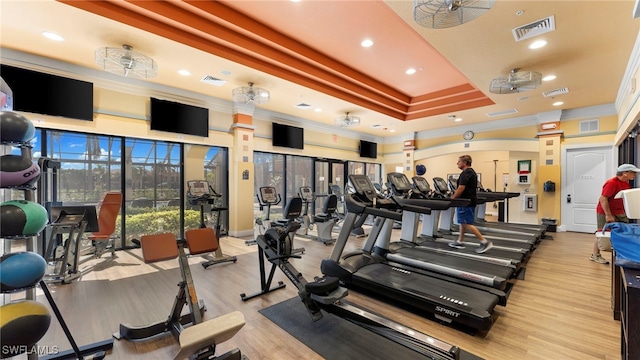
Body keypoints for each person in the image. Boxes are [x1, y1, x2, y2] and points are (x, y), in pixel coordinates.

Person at [592, 163, 640, 264]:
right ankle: (595, 255)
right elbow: (603, 198)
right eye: (633, 173)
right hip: (606, 211)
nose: (635, 175)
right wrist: (608, 215)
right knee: (602, 233)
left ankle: (624, 255)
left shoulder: (626, 183)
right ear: (625, 173)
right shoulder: (612, 183)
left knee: (624, 232)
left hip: (620, 212)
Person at [448, 155, 493, 253]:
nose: (457, 163)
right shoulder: (471, 172)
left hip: (465, 202)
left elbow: (461, 188)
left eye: (459, 161)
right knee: (462, 222)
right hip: (467, 201)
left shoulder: (466, 172)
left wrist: (453, 198)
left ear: (464, 162)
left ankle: (484, 242)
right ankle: (460, 241)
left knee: (466, 223)